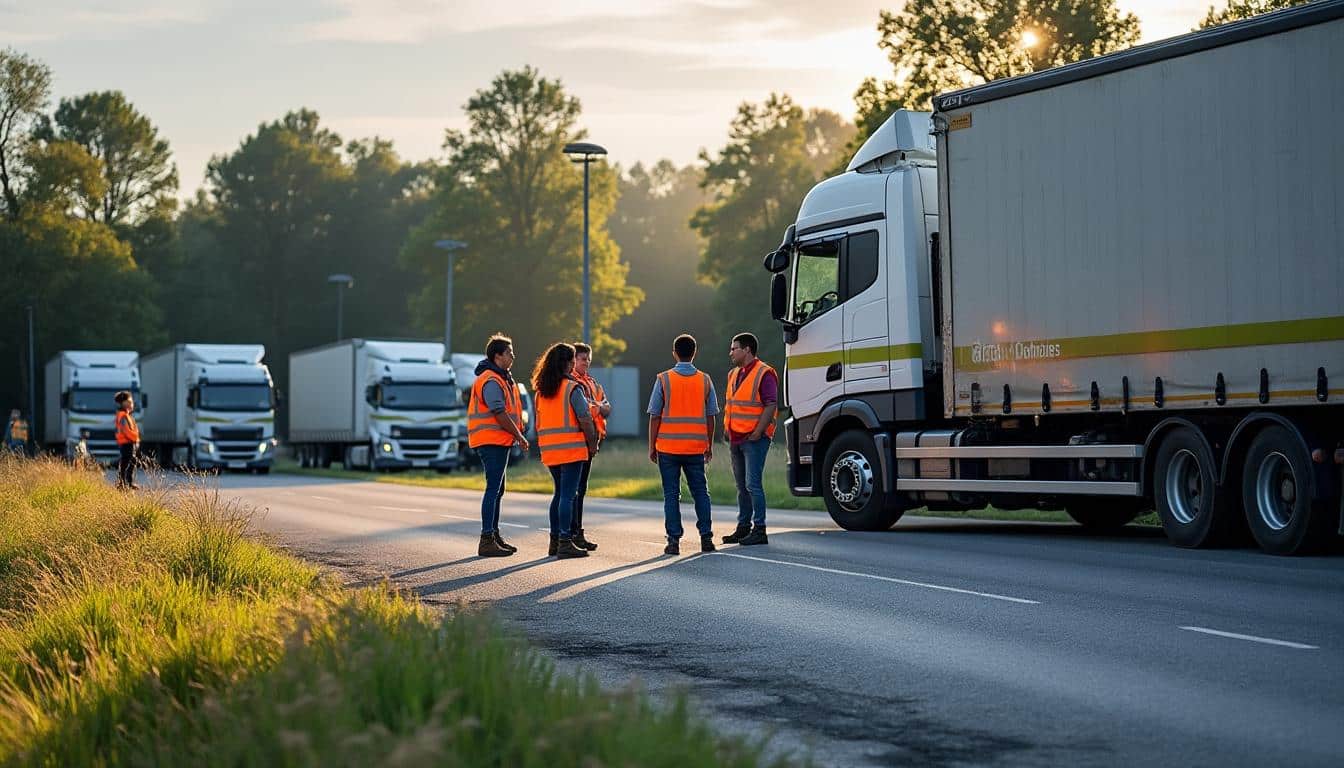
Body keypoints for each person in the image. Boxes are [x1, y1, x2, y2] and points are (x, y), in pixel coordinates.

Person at [648, 333, 718, 555]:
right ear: (694, 352)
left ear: (674, 353)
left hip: (667, 448)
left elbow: (654, 416)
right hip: (696, 448)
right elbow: (711, 416)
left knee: (671, 495)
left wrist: (652, 446)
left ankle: (673, 541)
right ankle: (706, 538)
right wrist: (709, 444)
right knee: (700, 492)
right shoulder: (705, 380)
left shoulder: (663, 379)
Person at [532, 342, 599, 559]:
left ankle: (554, 540)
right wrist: (592, 443)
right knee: (569, 496)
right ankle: (565, 541)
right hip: (571, 450)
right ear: (567, 363)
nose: (574, 364)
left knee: (559, 494)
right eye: (572, 360)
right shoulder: (572, 388)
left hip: (550, 451)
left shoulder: (541, 391)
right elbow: (586, 419)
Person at [467, 333, 530, 557]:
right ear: (498, 356)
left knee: (498, 489)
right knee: (493, 489)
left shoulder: (501, 377)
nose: (513, 356)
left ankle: (493, 535)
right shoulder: (491, 380)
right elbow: (499, 412)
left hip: (497, 441)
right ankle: (486, 539)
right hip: (490, 440)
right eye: (509, 352)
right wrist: (519, 436)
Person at [722, 332, 778, 546]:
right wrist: (727, 428)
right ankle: (744, 527)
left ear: (747, 349)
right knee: (742, 486)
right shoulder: (733, 374)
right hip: (736, 437)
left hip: (754, 439)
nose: (731, 352)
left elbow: (771, 404)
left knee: (752, 484)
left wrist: (758, 432)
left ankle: (760, 530)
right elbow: (732, 403)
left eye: (734, 348)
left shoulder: (764, 373)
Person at [571, 342, 611, 551]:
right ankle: (570, 533)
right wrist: (597, 407)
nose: (586, 362)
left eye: (588, 358)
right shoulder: (572, 383)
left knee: (581, 489)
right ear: (573, 360)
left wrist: (597, 407)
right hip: (578, 441)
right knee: (574, 490)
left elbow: (607, 408)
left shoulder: (593, 383)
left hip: (591, 442)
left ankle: (577, 532)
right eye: (582, 358)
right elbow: (589, 410)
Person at [113, 391, 140, 490]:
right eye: (129, 401)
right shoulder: (123, 415)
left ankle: (126, 482)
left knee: (130, 462)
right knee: (126, 463)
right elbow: (126, 431)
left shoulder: (126, 415)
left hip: (128, 442)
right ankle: (123, 483)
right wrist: (135, 439)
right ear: (123, 403)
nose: (131, 403)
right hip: (127, 443)